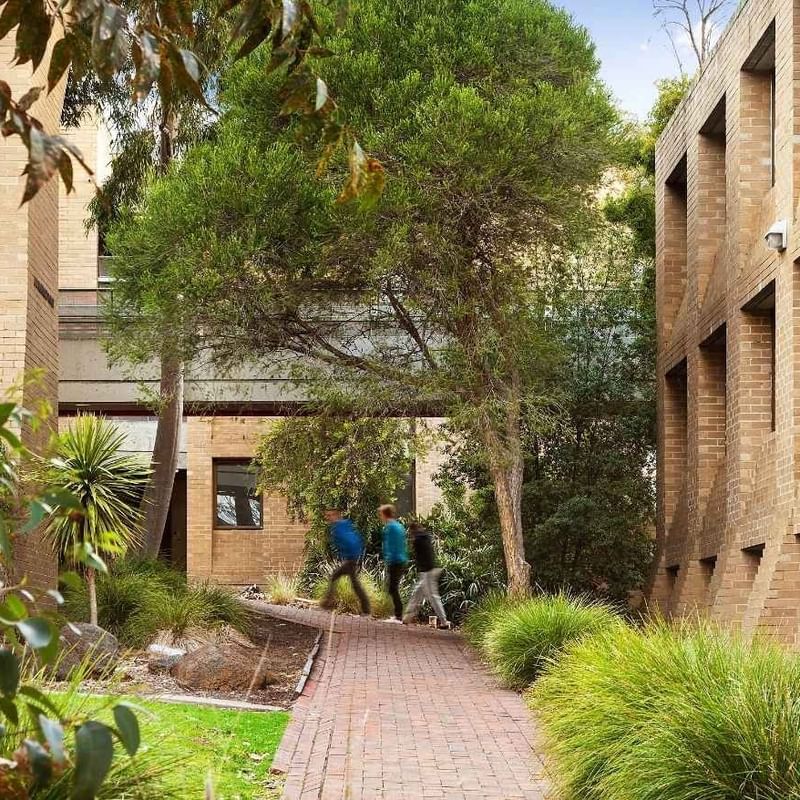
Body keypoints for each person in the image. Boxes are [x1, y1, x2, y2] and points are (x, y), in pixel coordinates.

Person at [320, 508, 371, 616]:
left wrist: (350, 558)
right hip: (351, 559)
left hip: (351, 559)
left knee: (336, 577)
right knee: (354, 584)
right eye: (327, 515)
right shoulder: (341, 526)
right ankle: (366, 609)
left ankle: (327, 603)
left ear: (336, 516)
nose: (327, 518)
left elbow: (351, 542)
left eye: (330, 515)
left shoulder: (339, 528)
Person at [403, 521, 449, 628]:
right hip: (430, 569)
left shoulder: (418, 540)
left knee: (433, 597)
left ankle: (444, 621)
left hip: (427, 571)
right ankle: (407, 618)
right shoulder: (425, 536)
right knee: (417, 593)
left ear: (412, 530)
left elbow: (417, 555)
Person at [379, 504, 408, 622]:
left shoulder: (390, 527)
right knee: (392, 588)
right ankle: (397, 614)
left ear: (385, 514)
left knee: (392, 588)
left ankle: (398, 616)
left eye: (380, 514)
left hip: (395, 561)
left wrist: (388, 559)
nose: (380, 517)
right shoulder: (399, 526)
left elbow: (390, 545)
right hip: (401, 560)